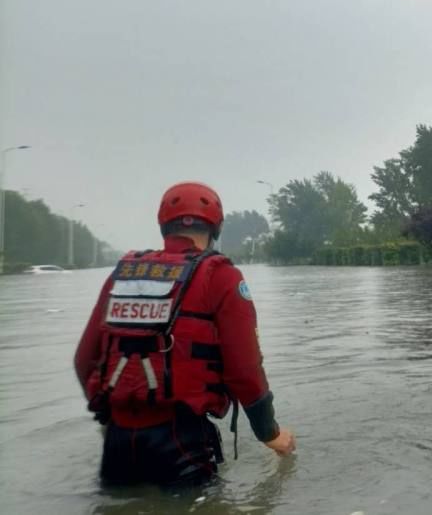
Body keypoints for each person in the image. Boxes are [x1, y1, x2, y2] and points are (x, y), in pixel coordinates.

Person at [74, 182, 295, 487]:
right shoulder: (221, 276)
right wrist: (270, 433)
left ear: (164, 225)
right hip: (181, 441)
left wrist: (111, 417)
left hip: (117, 444)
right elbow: (244, 369)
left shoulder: (122, 274)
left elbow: (84, 359)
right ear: (215, 227)